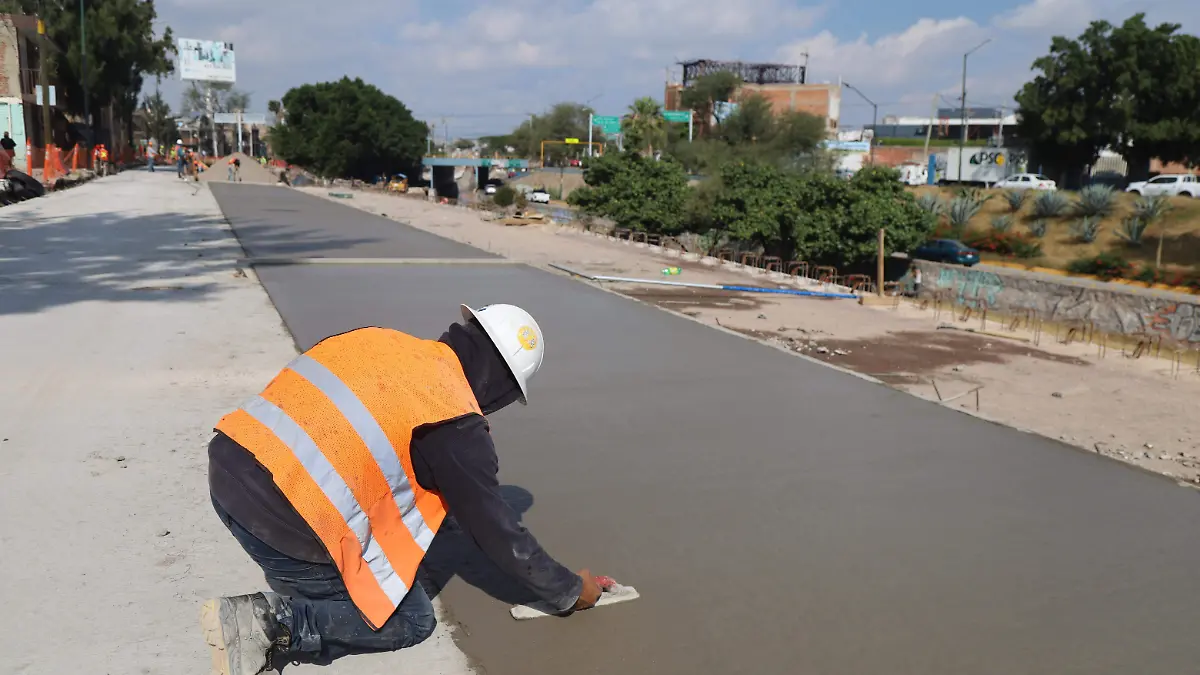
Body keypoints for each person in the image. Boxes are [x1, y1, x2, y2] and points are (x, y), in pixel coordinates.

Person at [201, 304, 604, 675]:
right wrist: (570, 591)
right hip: (277, 519)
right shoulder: (456, 420)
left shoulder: (383, 340)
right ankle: (274, 625)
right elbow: (498, 532)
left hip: (228, 462)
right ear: (503, 388)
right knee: (411, 619)